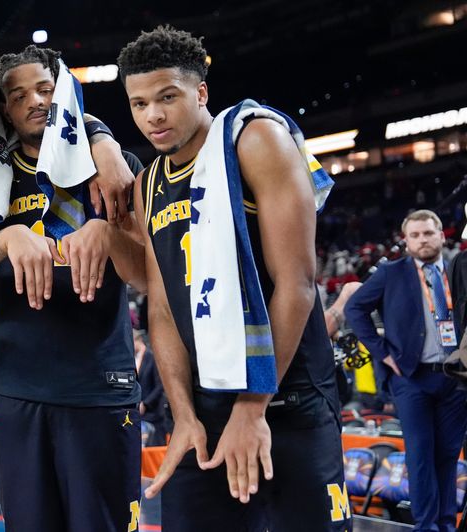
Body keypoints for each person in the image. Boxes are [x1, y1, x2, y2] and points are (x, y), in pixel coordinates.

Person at [118, 26, 350, 531]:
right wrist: (182, 415)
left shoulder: (254, 138)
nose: (152, 115)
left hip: (287, 397)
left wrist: (252, 407)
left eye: (167, 97)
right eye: (138, 104)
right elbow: (160, 305)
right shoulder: (148, 184)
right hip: (205, 407)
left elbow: (298, 284)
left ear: (201, 92)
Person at [0, 45, 146, 532]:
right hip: (20, 391)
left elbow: (146, 277)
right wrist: (7, 238)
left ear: (66, 94)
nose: (36, 101)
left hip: (100, 388)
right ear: (4, 111)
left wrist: (109, 234)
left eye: (46, 89)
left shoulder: (113, 167)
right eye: (18, 95)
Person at [346, 209, 467, 531]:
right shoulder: (391, 273)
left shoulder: (459, 268)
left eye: (428, 233)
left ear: (442, 235)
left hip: (455, 379)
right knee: (420, 455)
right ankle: (426, 526)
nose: (422, 240)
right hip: (411, 377)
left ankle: (445, 524)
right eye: (415, 235)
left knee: (448, 454)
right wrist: (381, 352)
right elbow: (354, 308)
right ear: (406, 240)